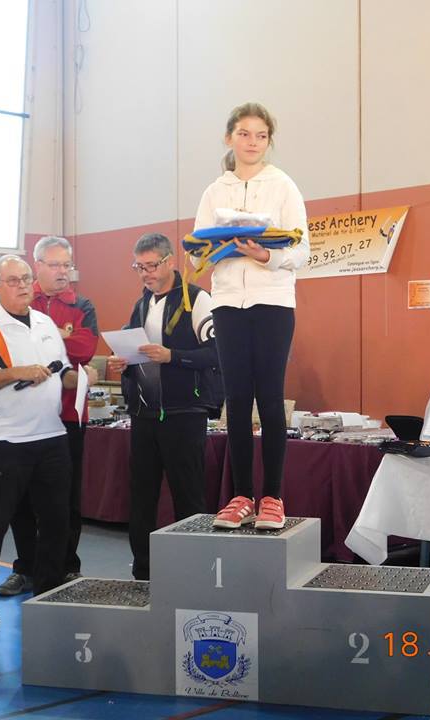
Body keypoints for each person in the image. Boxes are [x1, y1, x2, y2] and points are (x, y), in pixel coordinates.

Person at [0, 255, 97, 629]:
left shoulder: (46, 324)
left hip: (51, 435)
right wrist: (14, 373)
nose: (21, 286)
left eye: (25, 279)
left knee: (56, 521)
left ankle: (47, 592)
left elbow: (60, 374)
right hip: (7, 439)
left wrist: (85, 377)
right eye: (13, 280)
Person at [193, 102, 310, 530]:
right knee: (237, 400)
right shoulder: (214, 192)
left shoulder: (283, 186)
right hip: (227, 303)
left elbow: (302, 250)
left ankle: (273, 497)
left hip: (273, 301)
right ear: (229, 138)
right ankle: (242, 495)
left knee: (270, 398)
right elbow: (198, 249)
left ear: (269, 141)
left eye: (261, 135)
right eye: (244, 134)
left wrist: (266, 255)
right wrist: (213, 249)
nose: (252, 142)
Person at [106, 233, 220, 580]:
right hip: (144, 414)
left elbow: (218, 354)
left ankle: (196, 573)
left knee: (188, 496)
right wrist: (122, 362)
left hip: (184, 413)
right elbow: (134, 349)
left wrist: (174, 356)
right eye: (139, 267)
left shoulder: (198, 300)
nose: (146, 274)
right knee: (141, 496)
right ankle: (143, 571)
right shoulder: (141, 305)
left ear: (170, 261)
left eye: (151, 266)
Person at [0, 236, 98, 597]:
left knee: (65, 499)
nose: (62, 271)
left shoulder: (82, 305)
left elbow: (86, 348)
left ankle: (66, 567)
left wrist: (44, 340)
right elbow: (9, 349)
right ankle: (25, 567)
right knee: (21, 498)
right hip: (24, 416)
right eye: (54, 264)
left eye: (66, 264)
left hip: (68, 416)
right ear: (36, 265)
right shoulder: (22, 299)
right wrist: (56, 341)